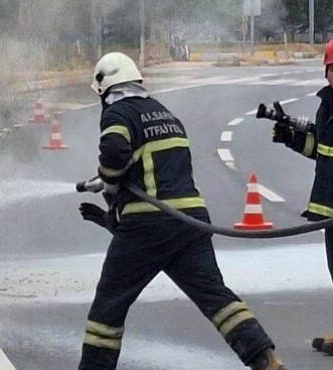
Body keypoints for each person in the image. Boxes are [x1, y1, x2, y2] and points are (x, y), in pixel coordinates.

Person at [77, 52, 286, 370]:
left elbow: (116, 153)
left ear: (107, 88)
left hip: (150, 224)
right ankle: (267, 360)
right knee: (216, 298)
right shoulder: (164, 113)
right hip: (190, 222)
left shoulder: (118, 112)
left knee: (109, 305)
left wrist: (108, 180)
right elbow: (146, 166)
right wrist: (109, 183)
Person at [272, 39, 333, 355]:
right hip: (329, 207)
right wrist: (291, 138)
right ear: (326, 71)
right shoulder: (328, 105)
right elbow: (323, 152)